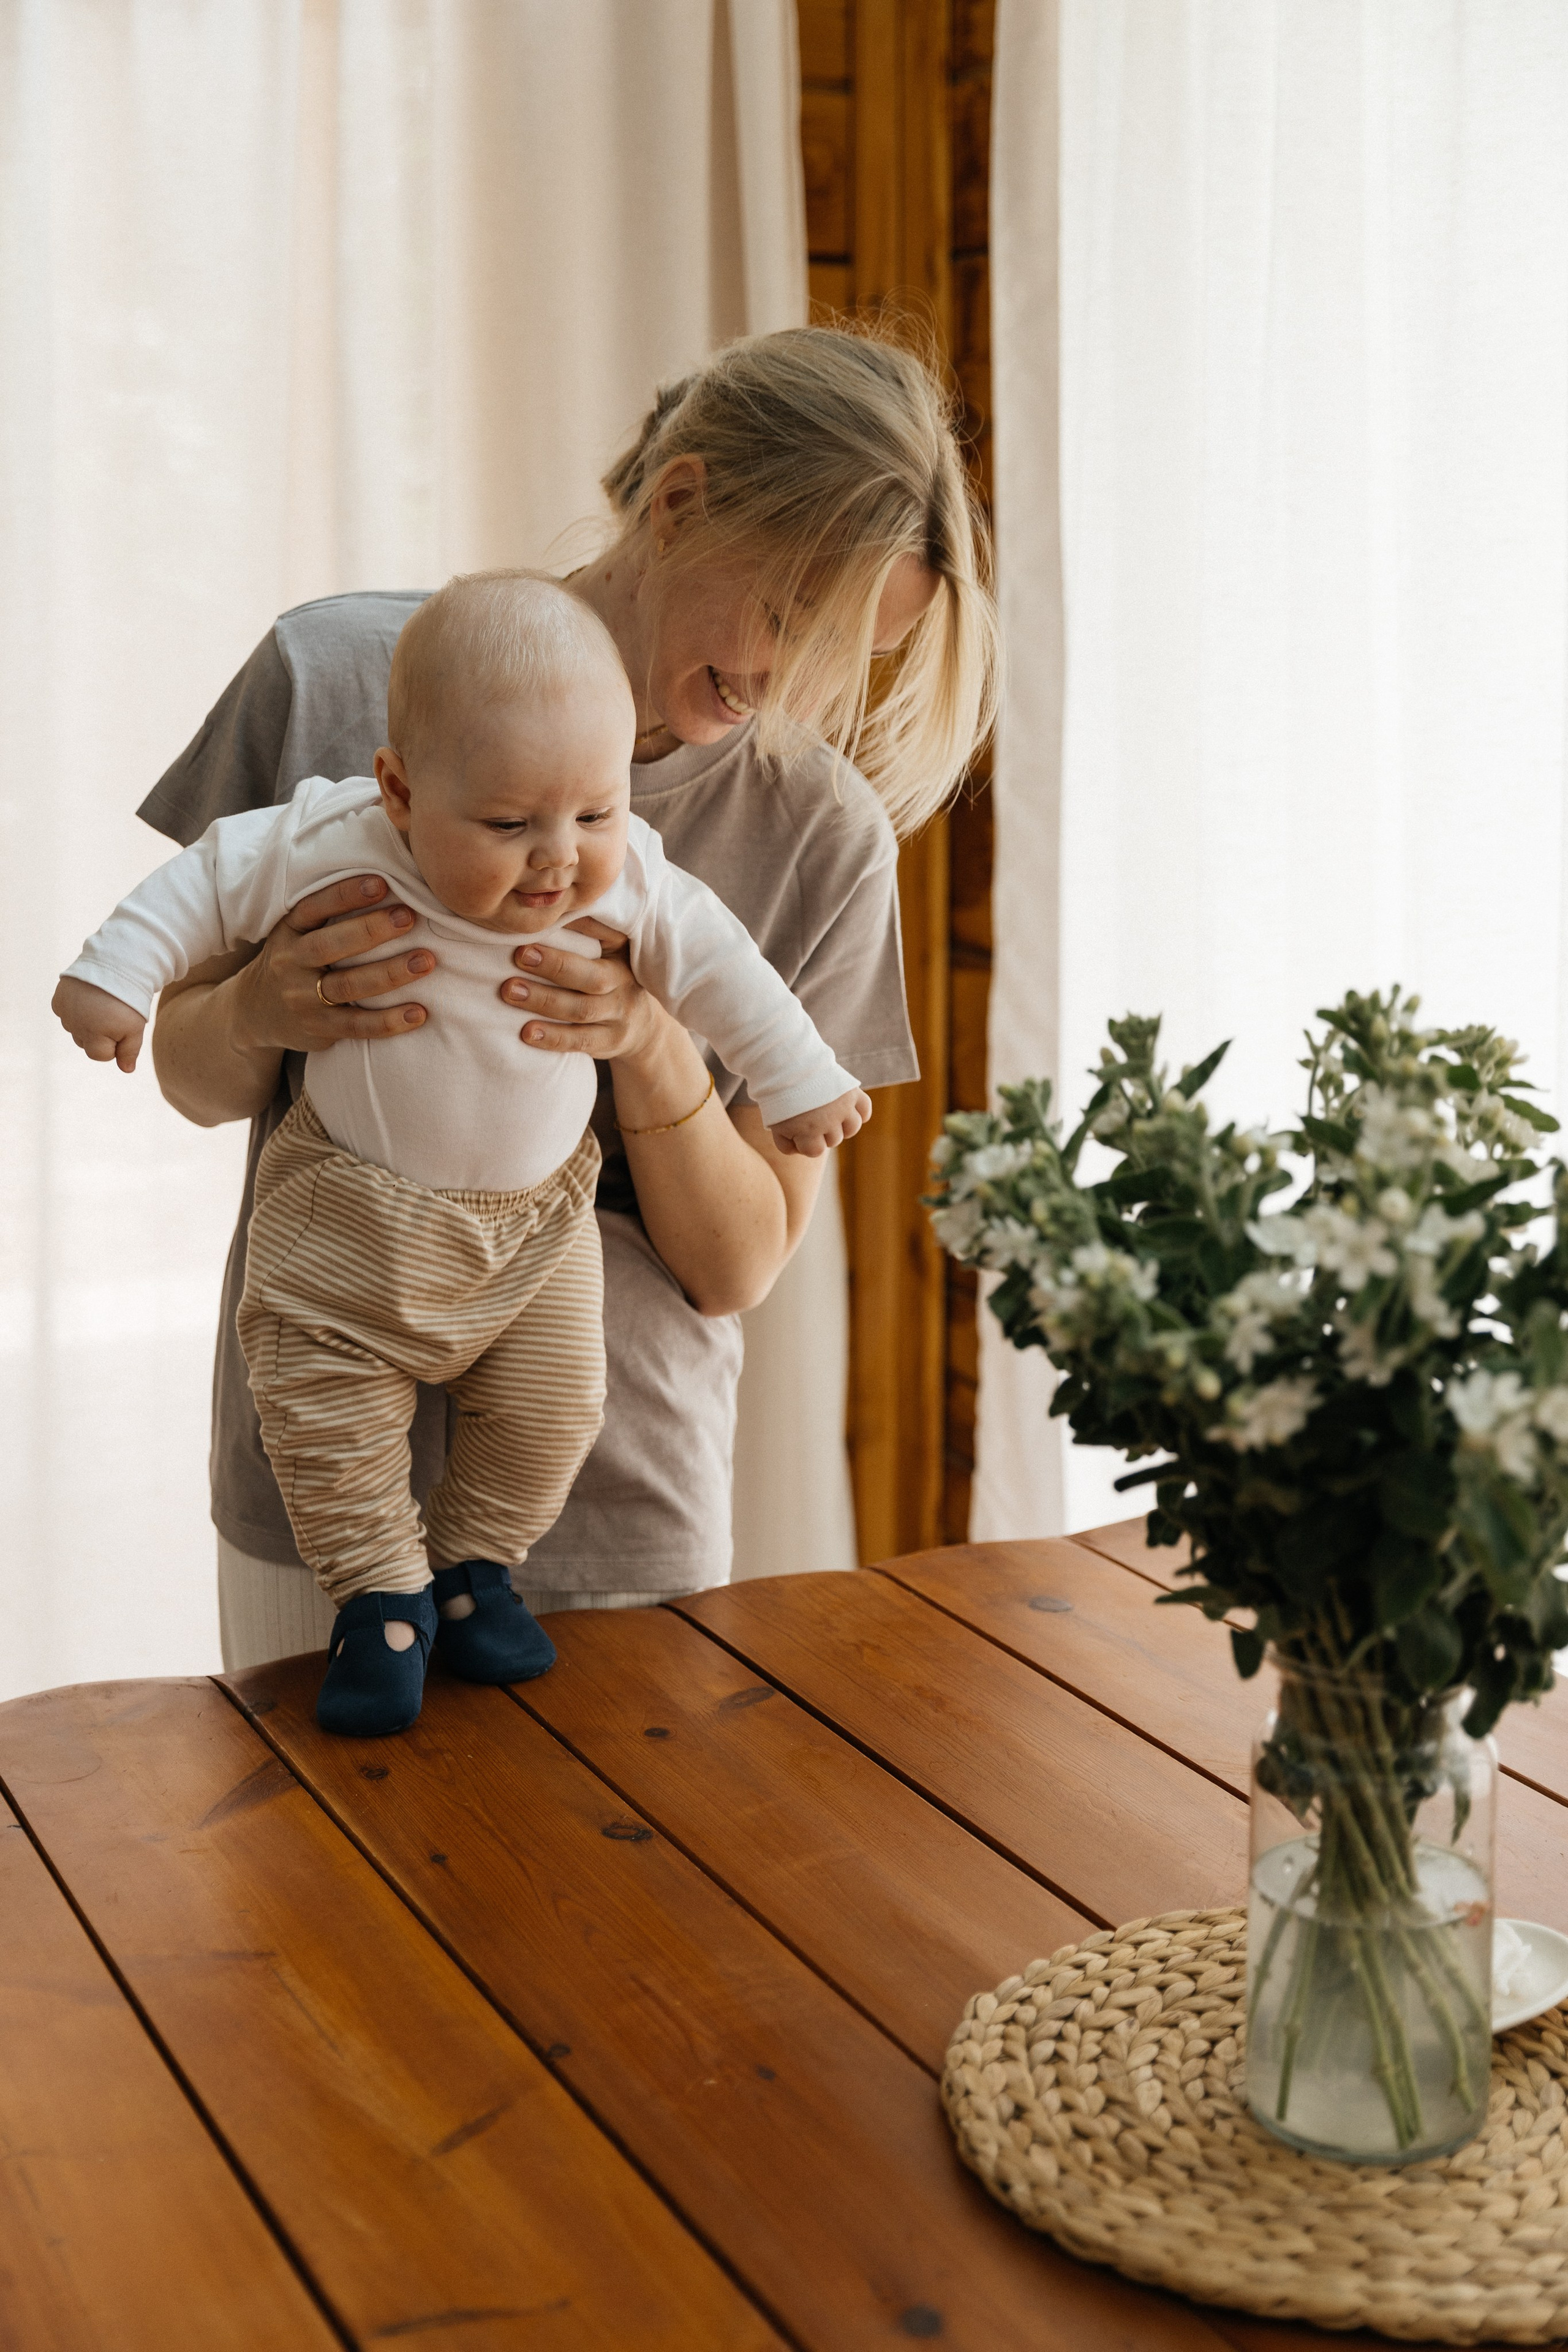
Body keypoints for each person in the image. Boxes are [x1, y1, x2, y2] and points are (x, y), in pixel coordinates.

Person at [143, 323, 1000, 1672]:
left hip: (617, 1517)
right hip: (313, 1478)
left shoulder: (817, 834)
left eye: (849, 655)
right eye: (787, 615)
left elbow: (737, 1265)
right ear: (678, 503)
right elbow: (186, 1078)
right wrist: (257, 1010)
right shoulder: (328, 685)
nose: (799, 687)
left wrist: (649, 1042)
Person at [56, 572, 869, 1733]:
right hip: (351, 1221)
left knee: (554, 1412)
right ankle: (380, 1593)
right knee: (326, 1419)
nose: (557, 862)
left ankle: (470, 1565)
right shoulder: (333, 840)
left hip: (535, 1234)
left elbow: (730, 973)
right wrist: (117, 975)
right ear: (398, 788)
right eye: (506, 826)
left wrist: (800, 1083)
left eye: (593, 816)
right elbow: (202, 883)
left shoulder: (638, 870)